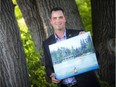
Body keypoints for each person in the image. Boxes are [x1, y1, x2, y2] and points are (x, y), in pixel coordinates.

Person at [43, 7, 101, 87]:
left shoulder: (78, 35)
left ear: (65, 19)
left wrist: (88, 41)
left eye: (60, 17)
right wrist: (51, 75)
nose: (58, 21)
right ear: (51, 21)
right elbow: (48, 66)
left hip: (86, 83)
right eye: (55, 18)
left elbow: (96, 56)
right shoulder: (47, 43)